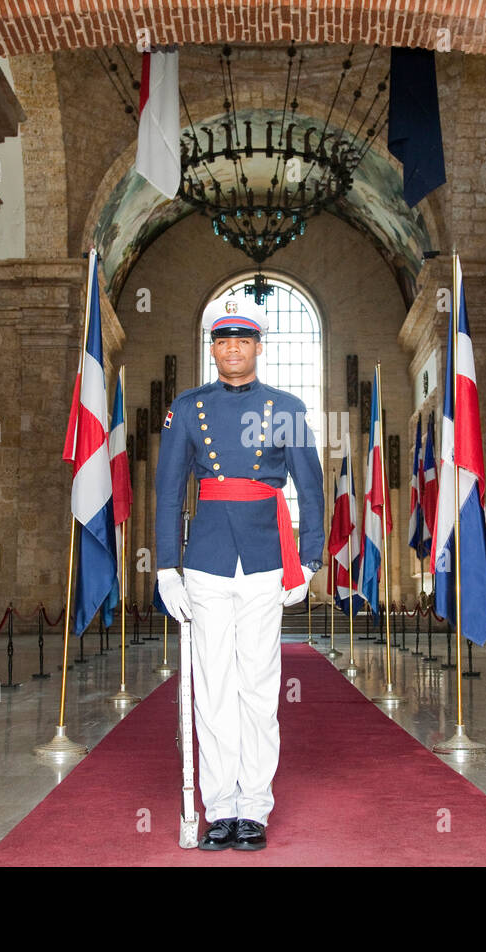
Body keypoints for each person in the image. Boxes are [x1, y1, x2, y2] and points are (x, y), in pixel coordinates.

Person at [155, 300, 325, 851]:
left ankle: (254, 806)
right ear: (212, 348)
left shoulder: (286, 407)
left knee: (257, 684)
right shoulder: (187, 408)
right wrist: (165, 567)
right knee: (212, 689)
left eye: (243, 340)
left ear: (258, 347)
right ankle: (219, 807)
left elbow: (311, 487)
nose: (232, 348)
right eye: (222, 340)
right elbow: (167, 491)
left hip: (264, 558)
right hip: (204, 560)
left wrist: (312, 558)